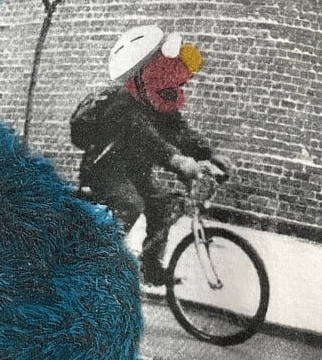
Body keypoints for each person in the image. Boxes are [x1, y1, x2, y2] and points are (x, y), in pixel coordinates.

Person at [70, 24, 229, 285]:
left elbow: (179, 130)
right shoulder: (124, 100)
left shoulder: (156, 97)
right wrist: (178, 161)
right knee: (130, 205)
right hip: (104, 169)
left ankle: (150, 268)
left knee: (163, 205)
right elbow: (147, 137)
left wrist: (209, 155)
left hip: (134, 170)